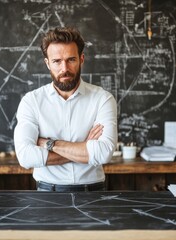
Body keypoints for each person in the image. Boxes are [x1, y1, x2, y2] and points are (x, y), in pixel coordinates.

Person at [14, 26, 117, 192]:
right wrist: (84, 149)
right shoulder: (31, 101)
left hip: (93, 192)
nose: (64, 69)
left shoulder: (103, 99)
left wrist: (49, 144)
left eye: (71, 60)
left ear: (81, 59)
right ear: (47, 63)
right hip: (47, 194)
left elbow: (104, 153)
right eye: (57, 61)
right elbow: (26, 157)